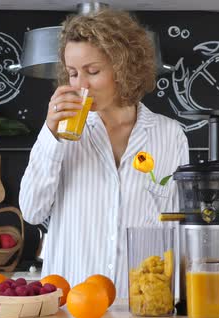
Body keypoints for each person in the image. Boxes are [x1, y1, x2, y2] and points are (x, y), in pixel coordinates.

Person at [19, 9, 189, 298]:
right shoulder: (61, 134)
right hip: (71, 307)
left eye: (92, 71)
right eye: (73, 74)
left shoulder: (169, 136)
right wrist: (50, 136)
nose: (80, 85)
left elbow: (180, 228)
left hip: (144, 308)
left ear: (124, 68)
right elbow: (33, 211)